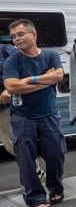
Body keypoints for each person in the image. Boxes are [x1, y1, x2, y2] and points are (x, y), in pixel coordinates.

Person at [3, 19, 66, 207]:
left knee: (56, 154)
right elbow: (12, 87)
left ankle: (55, 188)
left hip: (49, 114)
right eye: (13, 36)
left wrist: (30, 79)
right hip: (23, 117)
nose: (16, 39)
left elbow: (59, 76)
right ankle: (35, 197)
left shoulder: (51, 55)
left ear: (34, 34)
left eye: (20, 34)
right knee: (26, 160)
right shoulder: (12, 61)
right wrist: (46, 81)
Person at [0, 42, 46, 181]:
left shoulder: (6, 50)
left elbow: (29, 69)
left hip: (4, 108)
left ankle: (35, 175)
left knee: (14, 145)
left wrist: (10, 89)